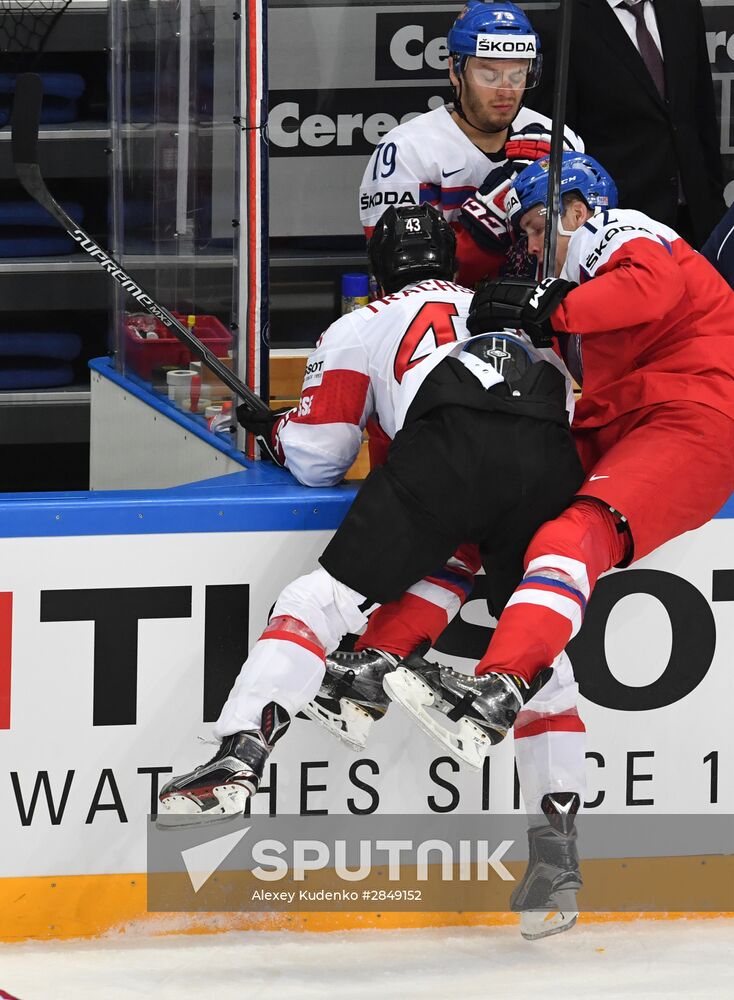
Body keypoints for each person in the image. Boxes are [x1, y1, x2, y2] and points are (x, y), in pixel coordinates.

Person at [169, 203, 586, 938]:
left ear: (379, 267)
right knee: (543, 666)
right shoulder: (487, 304)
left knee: (317, 600)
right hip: (549, 456)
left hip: (451, 452)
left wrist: (273, 432)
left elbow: (319, 458)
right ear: (452, 265)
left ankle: (239, 755)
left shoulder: (359, 326)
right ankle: (557, 858)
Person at [387, 152, 734, 753]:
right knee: (484, 504)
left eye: (539, 226)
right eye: (525, 232)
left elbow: (652, 287)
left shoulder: (619, 226)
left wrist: (549, 308)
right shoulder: (578, 283)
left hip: (696, 415)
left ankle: (503, 681)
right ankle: (379, 657)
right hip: (626, 418)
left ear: (577, 209)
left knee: (573, 535)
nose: (533, 242)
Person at [358, 0, 583, 286]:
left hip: (536, 319)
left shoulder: (558, 139)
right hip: (446, 323)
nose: (505, 90)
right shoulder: (406, 151)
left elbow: (580, 257)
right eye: (489, 75)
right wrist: (497, 205)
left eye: (517, 74)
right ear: (455, 70)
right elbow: (403, 279)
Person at [531, 0, 724, 247]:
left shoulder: (683, 7)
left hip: (697, 222)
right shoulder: (564, 27)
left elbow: (702, 112)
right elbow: (561, 143)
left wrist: (714, 202)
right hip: (622, 228)